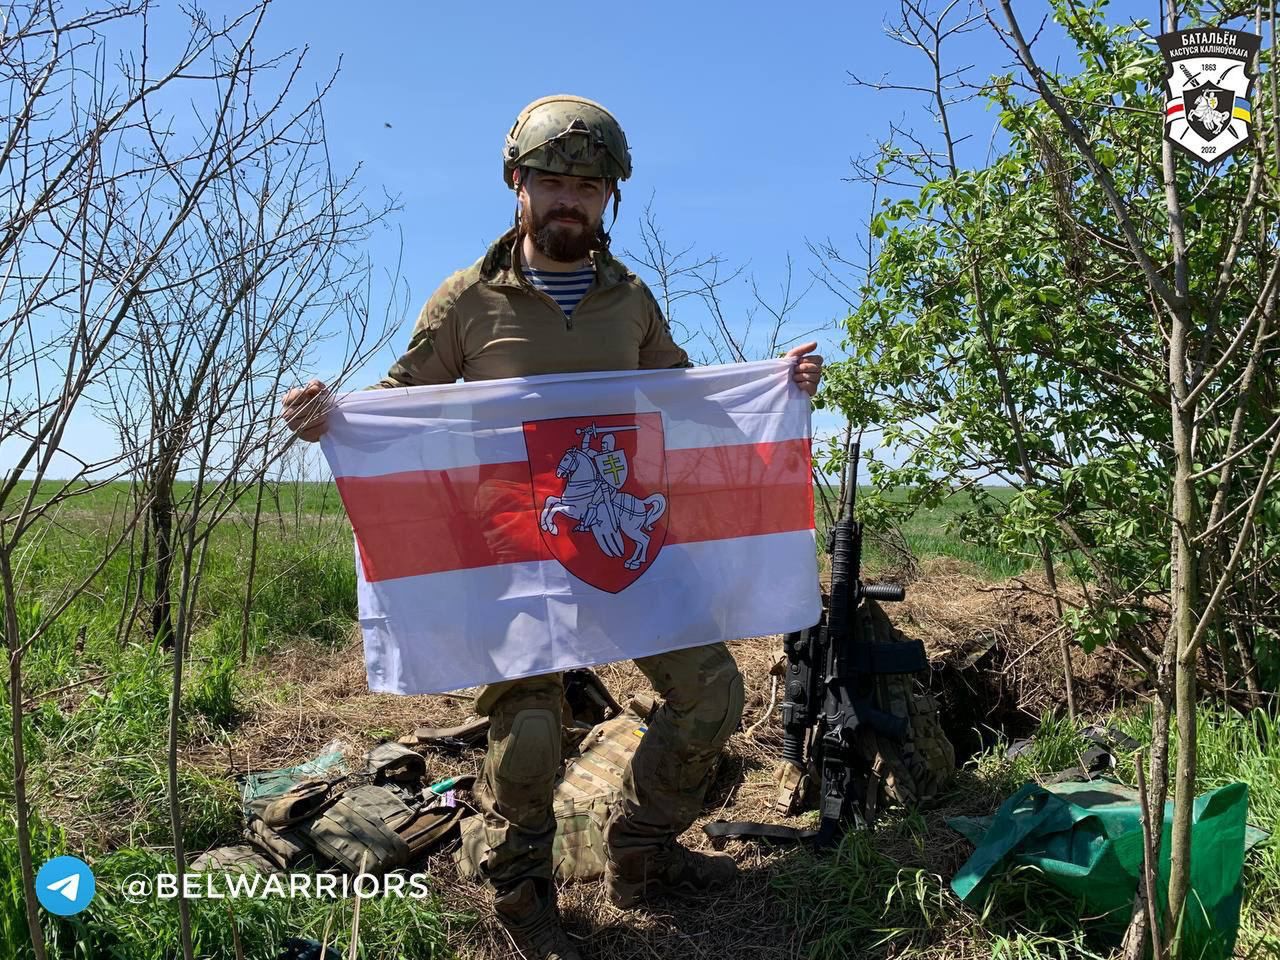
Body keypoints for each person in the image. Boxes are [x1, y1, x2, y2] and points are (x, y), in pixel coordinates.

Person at [282, 94, 823, 960]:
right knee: (530, 738)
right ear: (516, 184)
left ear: (610, 196)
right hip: (515, 555)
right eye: (553, 181)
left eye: (590, 183)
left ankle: (642, 850)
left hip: (625, 554)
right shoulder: (467, 300)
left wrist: (778, 387)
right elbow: (401, 405)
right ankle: (522, 888)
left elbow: (687, 402)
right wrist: (328, 418)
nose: (572, 197)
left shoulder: (631, 301)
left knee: (713, 698)